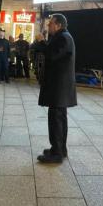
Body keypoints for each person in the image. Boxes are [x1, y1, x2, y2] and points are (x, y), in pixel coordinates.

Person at [38, 14, 77, 164]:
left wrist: (42, 42)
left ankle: (57, 153)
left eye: (51, 24)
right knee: (59, 119)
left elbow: (52, 55)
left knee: (56, 120)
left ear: (58, 25)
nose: (48, 26)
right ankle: (59, 149)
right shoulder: (63, 37)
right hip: (59, 88)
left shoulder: (64, 38)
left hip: (59, 88)